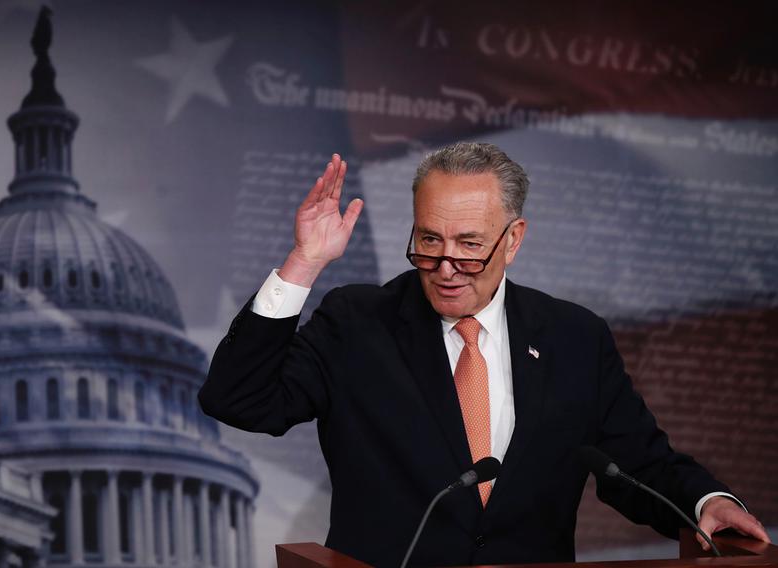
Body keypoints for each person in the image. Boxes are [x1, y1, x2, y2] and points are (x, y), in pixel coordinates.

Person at [199, 143, 769, 566]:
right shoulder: (357, 321)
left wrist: (703, 501)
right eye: (428, 241)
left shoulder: (575, 337)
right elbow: (240, 400)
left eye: (470, 245)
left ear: (513, 240)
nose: (446, 267)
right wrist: (304, 262)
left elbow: (639, 465)